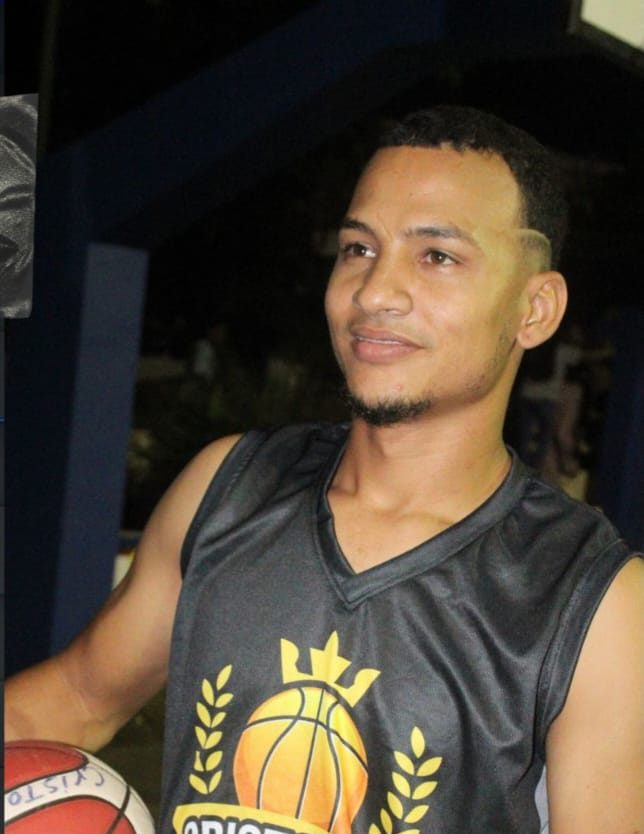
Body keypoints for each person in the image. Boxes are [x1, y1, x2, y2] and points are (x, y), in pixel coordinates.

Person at [5, 107, 643, 834]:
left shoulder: (597, 602)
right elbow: (77, 699)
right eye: (358, 249)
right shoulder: (227, 488)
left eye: (436, 256)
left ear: (536, 309)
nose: (374, 293)